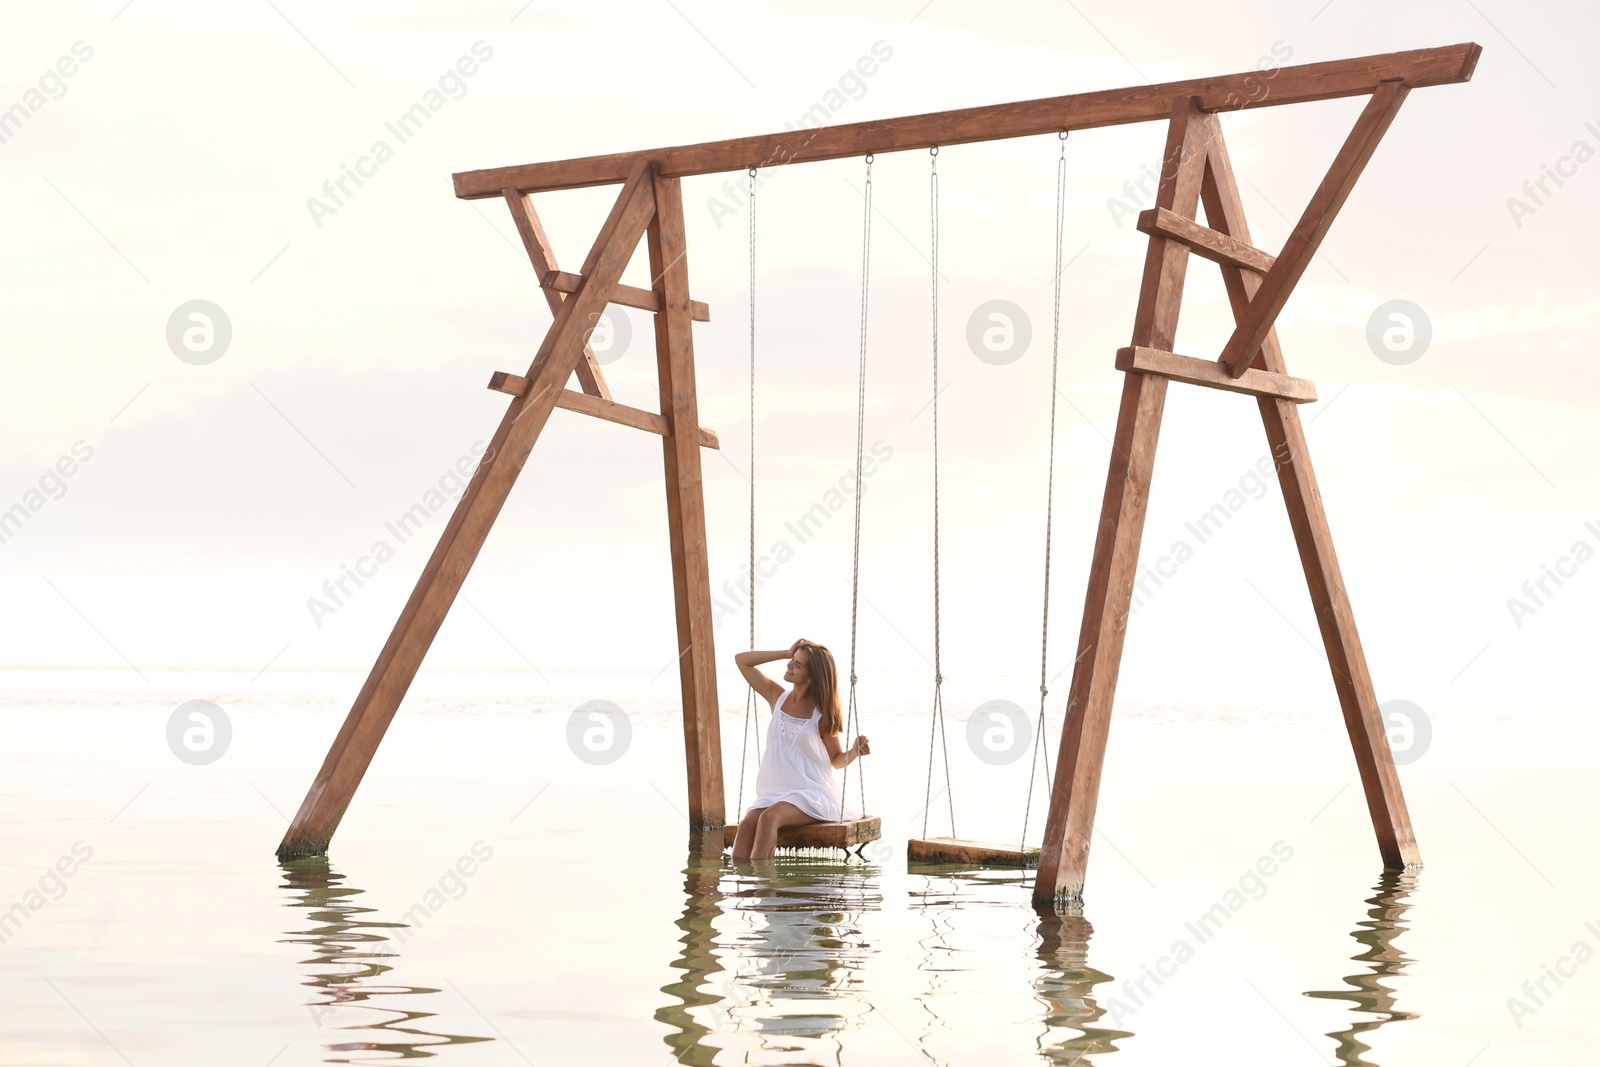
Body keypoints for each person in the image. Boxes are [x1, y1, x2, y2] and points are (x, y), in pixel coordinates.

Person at [730, 638, 870, 863]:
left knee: (769, 818)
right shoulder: (777, 696)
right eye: (792, 661)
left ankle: (766, 890)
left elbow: (836, 759)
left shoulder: (821, 713)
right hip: (774, 792)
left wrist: (854, 751)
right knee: (746, 825)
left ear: (812, 676)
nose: (790, 665)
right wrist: (786, 652)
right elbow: (742, 661)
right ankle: (744, 885)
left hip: (810, 793)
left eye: (798, 664)